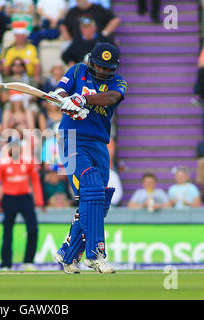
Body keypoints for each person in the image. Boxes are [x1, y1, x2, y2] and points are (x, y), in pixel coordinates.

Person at [48, 43, 127, 274]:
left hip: (99, 144)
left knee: (98, 200)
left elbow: (111, 97)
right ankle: (95, 254)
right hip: (71, 138)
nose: (101, 71)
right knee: (91, 186)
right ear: (91, 61)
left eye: (106, 68)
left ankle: (67, 253)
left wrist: (83, 100)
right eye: (98, 66)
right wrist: (66, 101)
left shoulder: (118, 82)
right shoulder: (77, 71)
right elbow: (59, 92)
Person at [0, 140, 44, 271]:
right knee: (7, 232)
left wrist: (39, 201)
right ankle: (6, 264)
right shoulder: (2, 164)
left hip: (25, 198)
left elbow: (36, 182)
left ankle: (28, 261)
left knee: (33, 229)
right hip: (9, 199)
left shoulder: (28, 162)